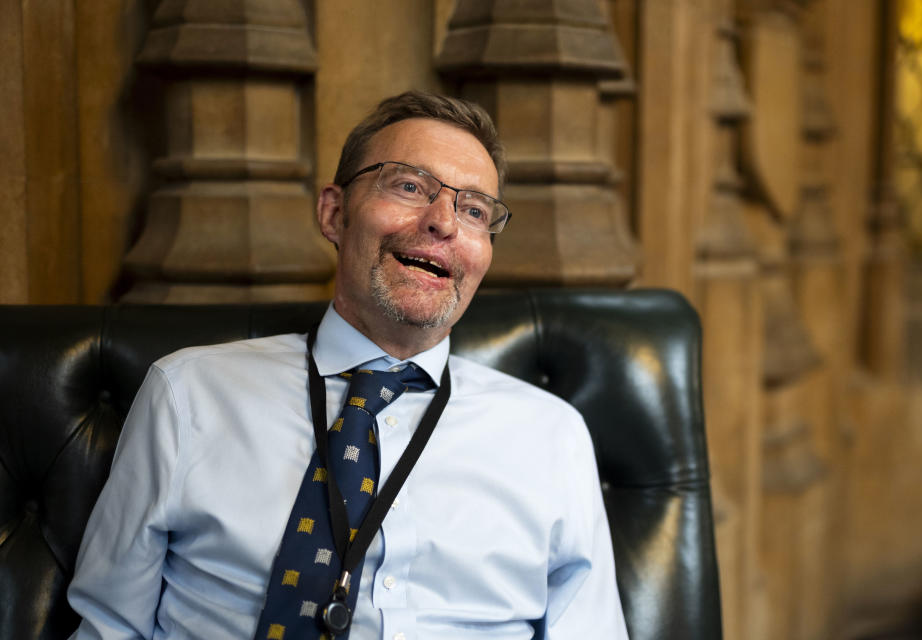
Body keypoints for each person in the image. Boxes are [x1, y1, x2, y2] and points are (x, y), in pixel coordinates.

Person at [67, 91, 628, 639]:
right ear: (335, 213)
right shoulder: (187, 394)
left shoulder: (551, 436)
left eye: (474, 209)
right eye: (410, 186)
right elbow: (109, 625)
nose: (443, 222)